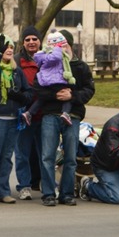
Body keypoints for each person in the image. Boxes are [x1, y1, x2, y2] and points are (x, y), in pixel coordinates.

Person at [34, 30, 94, 207]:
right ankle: (48, 193)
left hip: (73, 115)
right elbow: (38, 88)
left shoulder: (80, 66)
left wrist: (72, 96)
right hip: (50, 115)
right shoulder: (46, 63)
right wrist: (57, 94)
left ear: (70, 44)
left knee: (70, 157)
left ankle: (67, 193)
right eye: (57, 44)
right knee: (47, 156)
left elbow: (89, 89)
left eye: (64, 43)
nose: (61, 47)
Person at [0, 33, 32, 204]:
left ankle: (3, 191)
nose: (9, 50)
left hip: (13, 119)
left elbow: (29, 93)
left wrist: (19, 97)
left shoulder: (17, 71)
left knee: (6, 157)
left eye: (10, 47)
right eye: (5, 47)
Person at [13, 25, 44, 199]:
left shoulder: (47, 59)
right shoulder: (16, 60)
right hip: (23, 116)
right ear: (23, 43)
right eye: (27, 39)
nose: (31, 42)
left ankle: (47, 185)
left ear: (39, 41)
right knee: (22, 154)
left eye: (34, 39)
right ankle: (24, 186)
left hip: (43, 115)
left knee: (45, 154)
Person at [22, 31, 76, 127]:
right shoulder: (56, 55)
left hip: (45, 82)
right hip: (56, 81)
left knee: (41, 99)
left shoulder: (41, 55)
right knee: (67, 95)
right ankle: (66, 113)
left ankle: (29, 113)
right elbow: (56, 57)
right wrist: (58, 48)